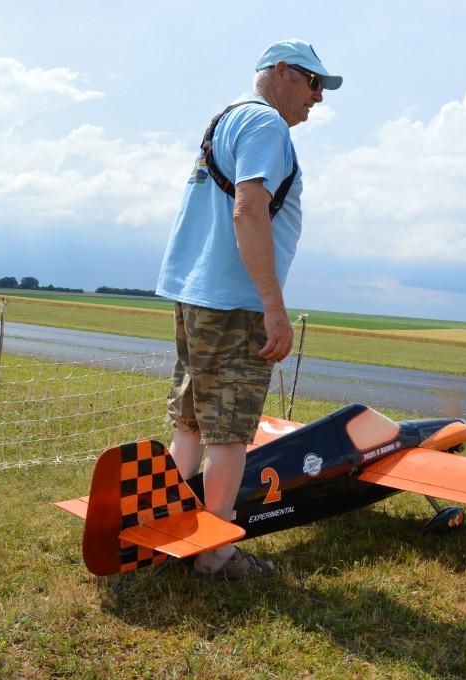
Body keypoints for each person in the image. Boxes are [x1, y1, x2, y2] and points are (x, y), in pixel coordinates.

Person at [155, 39, 342, 579]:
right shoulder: (266, 127)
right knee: (230, 432)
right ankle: (215, 555)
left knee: (190, 420)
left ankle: (163, 528)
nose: (318, 99)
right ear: (281, 72)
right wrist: (274, 308)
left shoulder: (225, 120)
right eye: (314, 84)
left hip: (195, 293)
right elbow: (248, 211)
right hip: (235, 302)